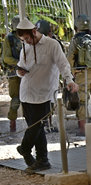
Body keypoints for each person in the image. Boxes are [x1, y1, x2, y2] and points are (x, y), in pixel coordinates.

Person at [15, 17, 78, 173]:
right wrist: (19, 71)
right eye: (23, 40)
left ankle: (24, 149)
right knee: (36, 128)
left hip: (44, 94)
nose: (26, 42)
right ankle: (42, 160)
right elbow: (20, 67)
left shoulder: (52, 45)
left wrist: (69, 80)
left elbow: (63, 64)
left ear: (34, 32)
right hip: (26, 93)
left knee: (36, 127)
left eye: (28, 38)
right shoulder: (25, 47)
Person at [2, 16, 23, 133]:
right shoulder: (9, 38)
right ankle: (12, 125)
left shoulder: (28, 36)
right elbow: (6, 58)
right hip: (14, 72)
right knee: (15, 100)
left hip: (28, 72)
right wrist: (20, 64)